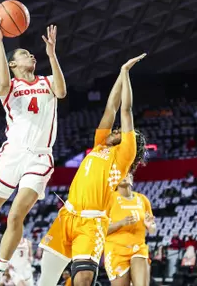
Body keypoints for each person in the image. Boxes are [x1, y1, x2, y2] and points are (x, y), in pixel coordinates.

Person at [37, 53, 147, 286]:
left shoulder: (123, 155)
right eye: (118, 130)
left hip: (93, 222)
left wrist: (126, 73)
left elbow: (125, 110)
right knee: (46, 280)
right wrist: (119, 73)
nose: (118, 130)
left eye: (126, 133)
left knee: (84, 279)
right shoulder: (100, 144)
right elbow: (112, 106)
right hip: (67, 216)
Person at [0, 11, 67, 285]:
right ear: (12, 63)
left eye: (32, 54)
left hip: (39, 158)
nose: (32, 56)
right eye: (25, 54)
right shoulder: (9, 86)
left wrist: (52, 54)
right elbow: (3, 80)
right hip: (11, 154)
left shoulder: (46, 82)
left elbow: (63, 92)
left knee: (16, 214)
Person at [104, 173, 155, 286]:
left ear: (131, 178)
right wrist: (120, 224)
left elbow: (152, 229)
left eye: (127, 173)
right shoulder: (109, 199)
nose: (124, 176)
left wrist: (150, 226)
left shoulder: (143, 200)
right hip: (116, 251)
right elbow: (101, 230)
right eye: (121, 173)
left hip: (138, 248)